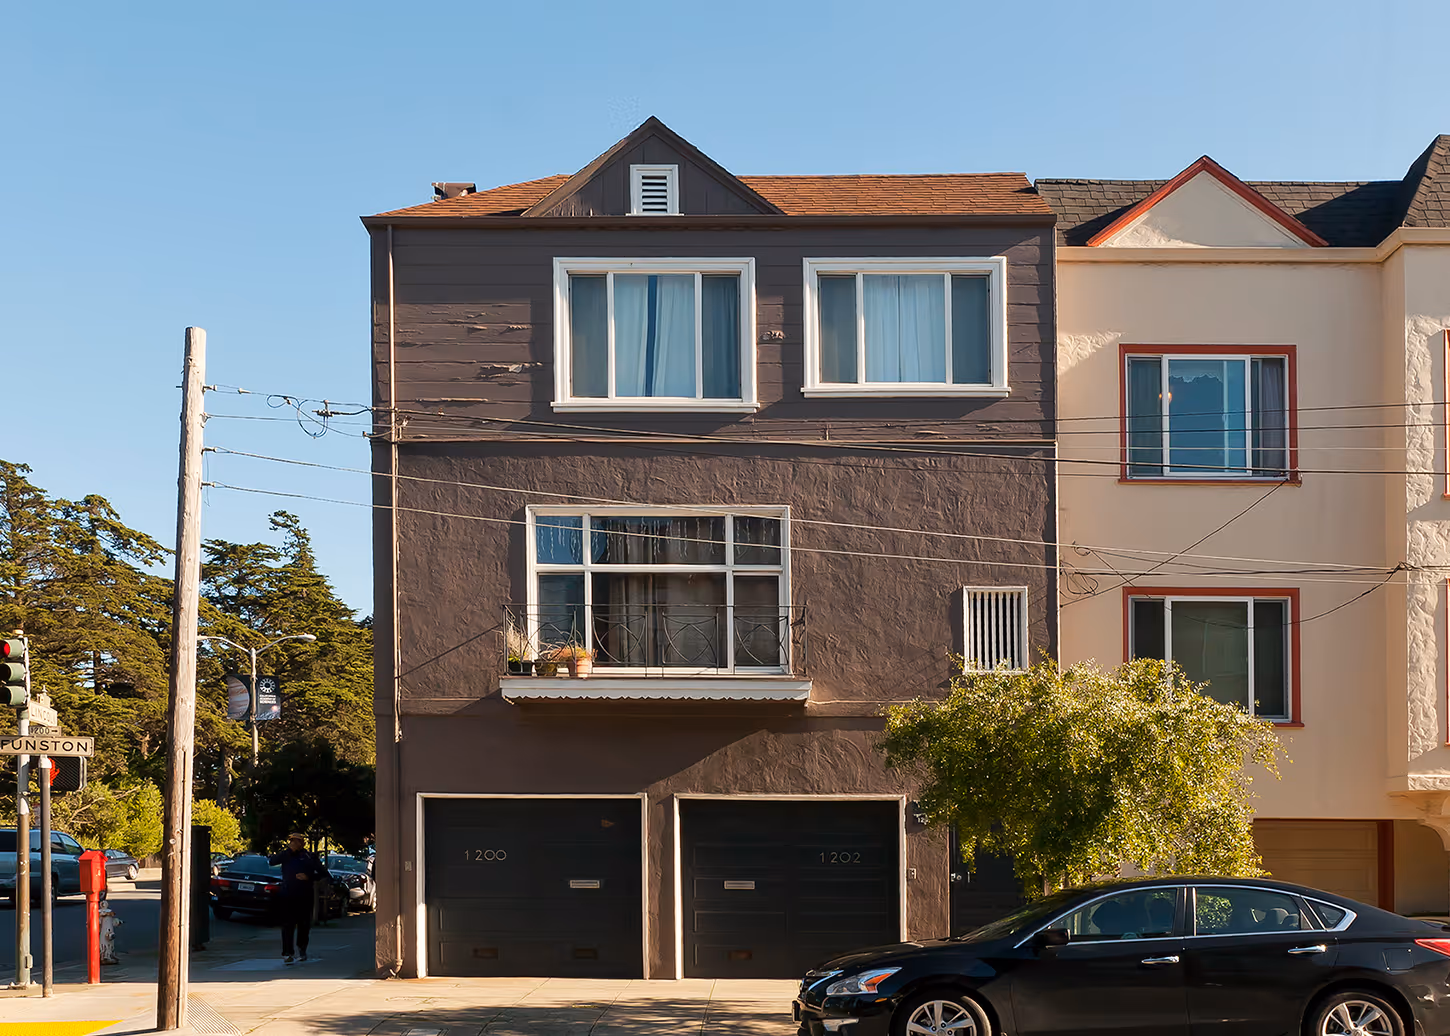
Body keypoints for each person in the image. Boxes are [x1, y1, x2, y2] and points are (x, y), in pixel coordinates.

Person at [268, 832, 328, 964]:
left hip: (304, 896)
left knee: (304, 925)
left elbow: (325, 874)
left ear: (303, 843)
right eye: (292, 841)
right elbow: (272, 861)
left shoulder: (309, 857)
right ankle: (287, 953)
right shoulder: (286, 855)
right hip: (287, 895)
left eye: (297, 841)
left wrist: (309, 877)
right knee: (287, 925)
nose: (294, 843)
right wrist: (289, 851)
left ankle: (302, 949)